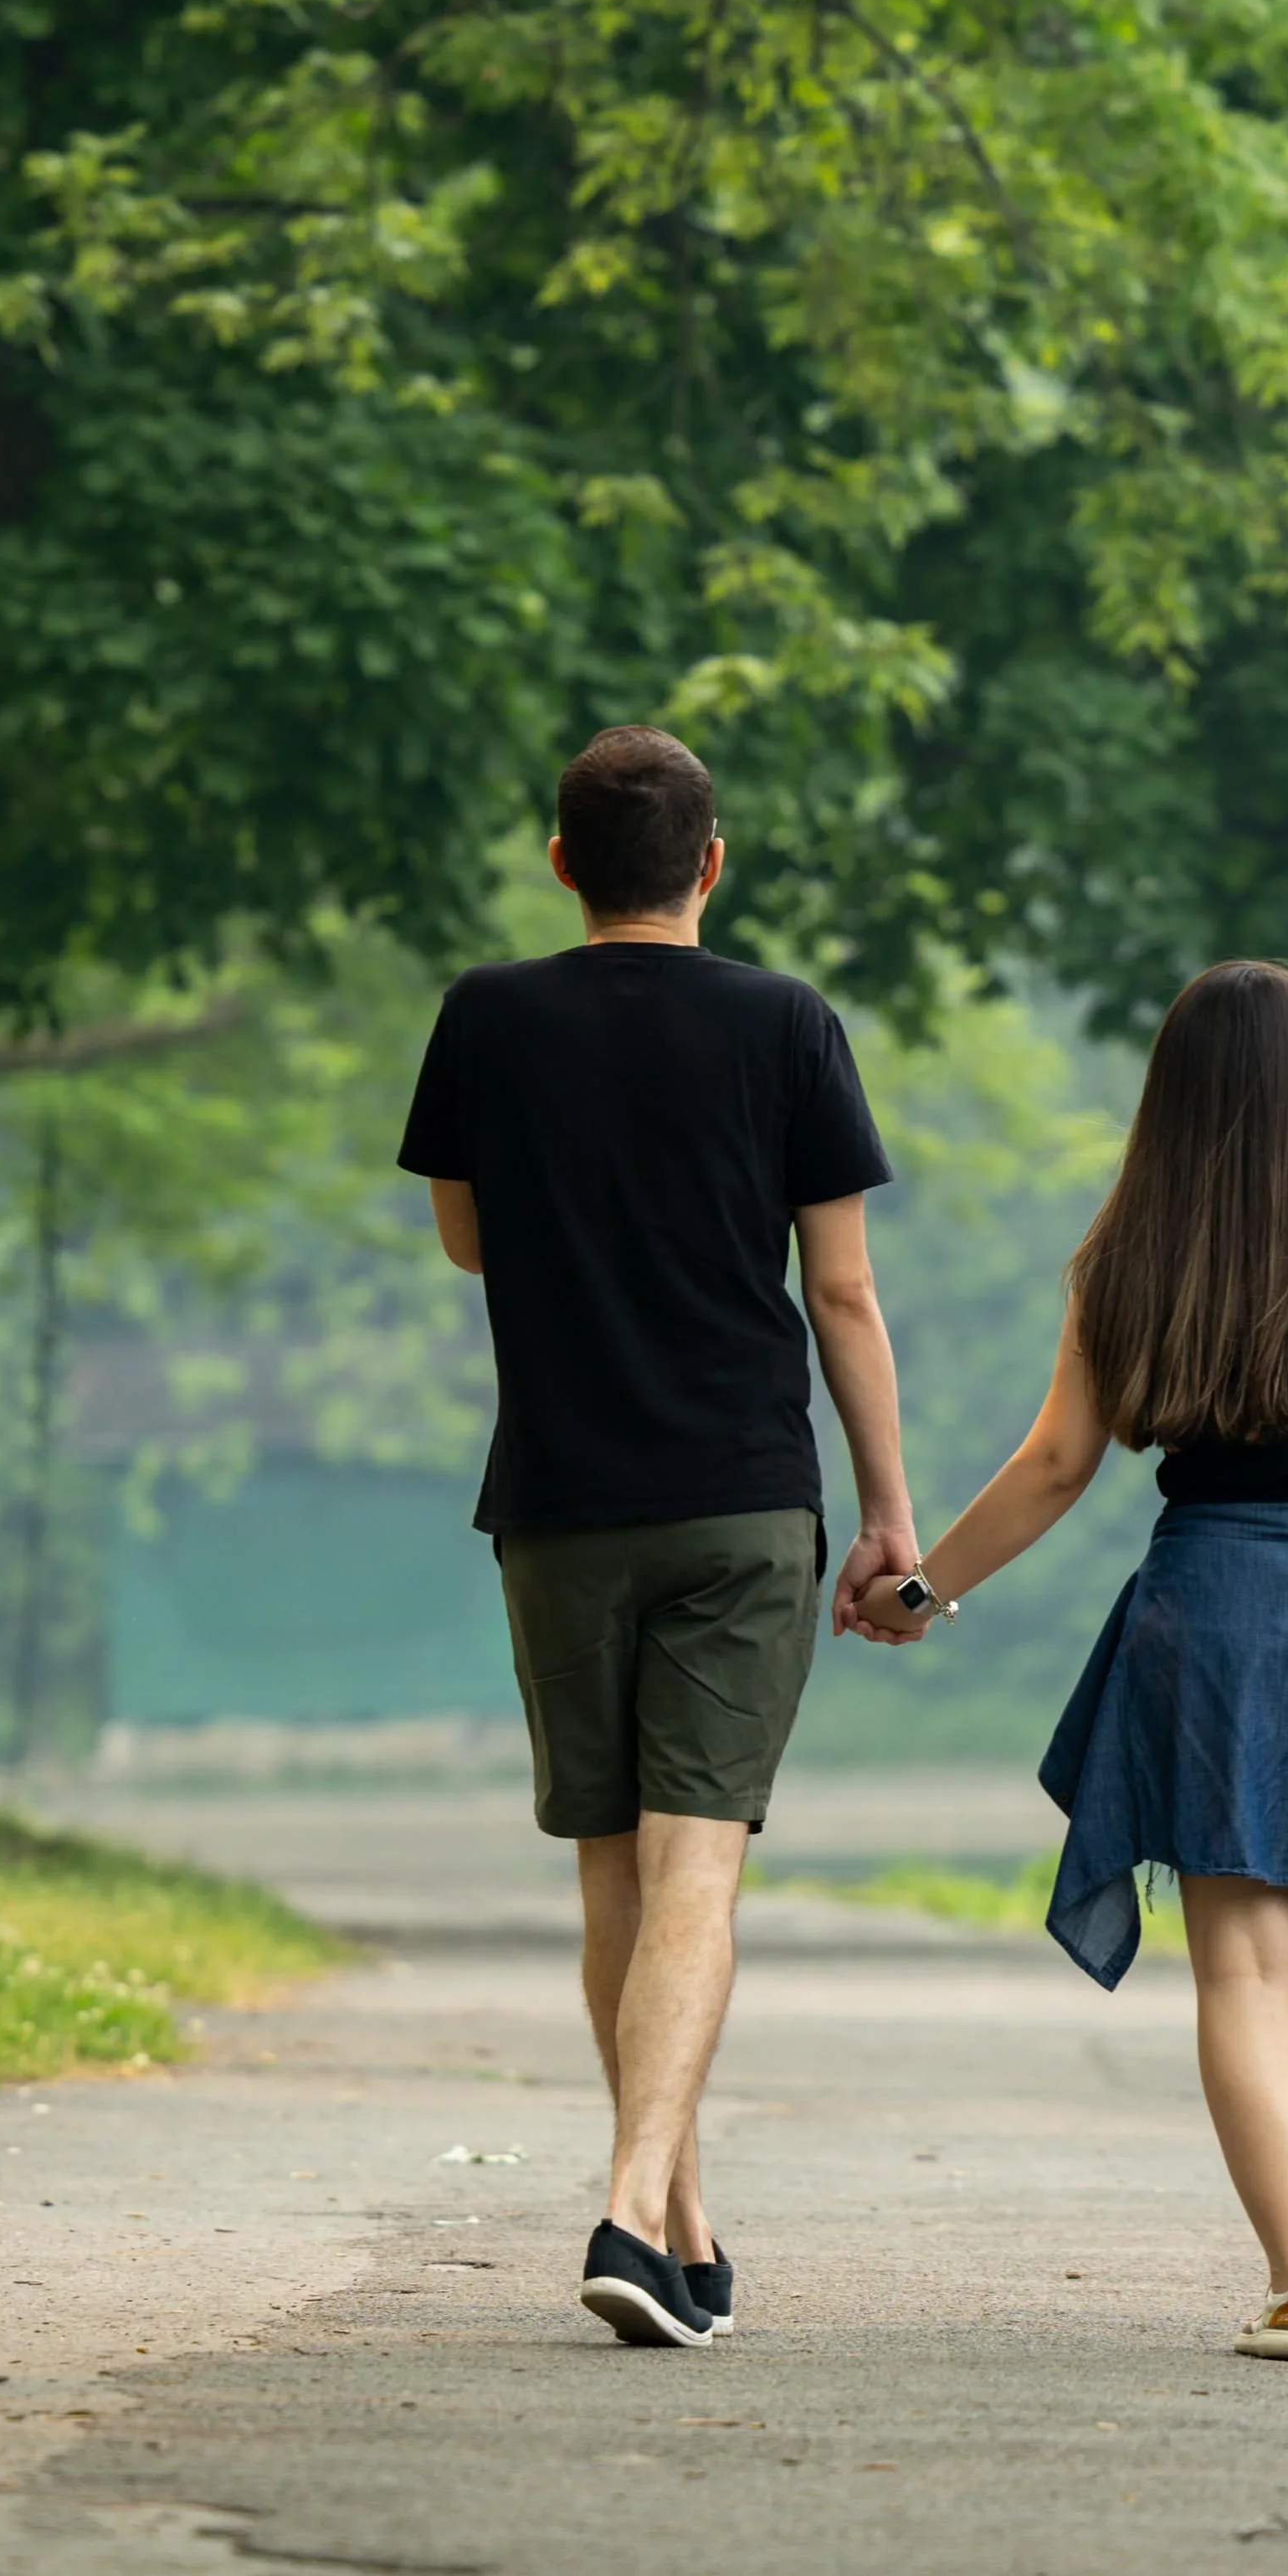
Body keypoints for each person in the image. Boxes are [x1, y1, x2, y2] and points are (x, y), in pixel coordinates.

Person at [865, 959, 1288, 2363]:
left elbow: (1052, 1469)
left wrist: (920, 1590)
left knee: (1242, 1977)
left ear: (1171, 1098)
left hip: (1214, 1611)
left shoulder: (1128, 1256)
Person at [398, 727, 920, 2348]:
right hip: (742, 1497)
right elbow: (839, 1287)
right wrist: (892, 1508)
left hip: (558, 1499)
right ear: (712, 861)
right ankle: (640, 2206)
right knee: (702, 1859)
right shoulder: (786, 1024)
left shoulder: (486, 1018)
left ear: (561, 860)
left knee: (614, 1867)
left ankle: (678, 2224)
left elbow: (471, 1243)